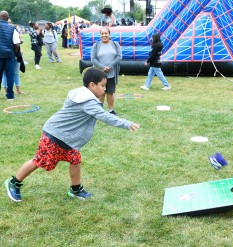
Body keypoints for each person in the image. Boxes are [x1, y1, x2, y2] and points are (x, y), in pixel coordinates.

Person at [4, 67, 140, 202]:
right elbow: (105, 116)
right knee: (40, 161)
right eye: (103, 86)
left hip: (69, 139)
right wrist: (126, 124)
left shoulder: (81, 95)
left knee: (75, 160)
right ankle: (14, 182)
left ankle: (75, 190)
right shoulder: (87, 102)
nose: (104, 89)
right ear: (92, 85)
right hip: (55, 135)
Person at [91, 27, 122, 116]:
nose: (104, 35)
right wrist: (102, 67)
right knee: (101, 92)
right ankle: (100, 111)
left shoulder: (115, 44)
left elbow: (119, 57)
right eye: (102, 33)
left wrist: (110, 66)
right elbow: (93, 59)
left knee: (110, 92)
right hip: (99, 74)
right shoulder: (96, 46)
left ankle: (111, 110)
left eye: (106, 33)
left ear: (109, 34)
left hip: (111, 73)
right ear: (100, 35)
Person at [0, 10, 21, 101]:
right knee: (10, 75)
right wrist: (15, 53)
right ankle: (10, 96)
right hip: (9, 55)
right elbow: (16, 44)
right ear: (8, 18)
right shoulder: (12, 28)